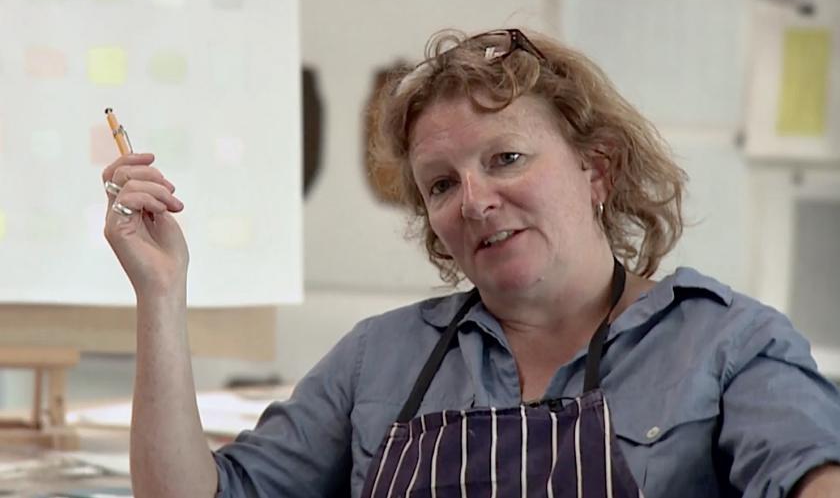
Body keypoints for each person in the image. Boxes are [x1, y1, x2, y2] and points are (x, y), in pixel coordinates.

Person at [101, 28, 840, 498]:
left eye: (506, 158)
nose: (476, 201)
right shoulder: (378, 359)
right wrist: (161, 294)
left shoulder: (726, 343)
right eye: (441, 185)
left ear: (597, 169)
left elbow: (815, 475)